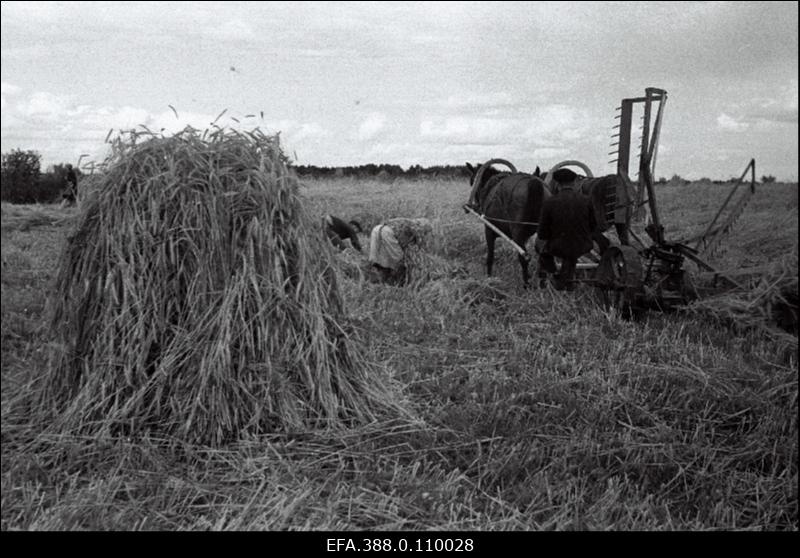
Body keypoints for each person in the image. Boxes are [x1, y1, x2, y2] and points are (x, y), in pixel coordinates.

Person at [535, 176, 598, 291]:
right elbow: (594, 226)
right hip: (583, 245)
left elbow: (542, 233)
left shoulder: (549, 202)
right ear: (574, 183)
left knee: (539, 246)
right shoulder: (587, 200)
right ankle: (566, 278)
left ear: (558, 185)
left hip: (558, 247)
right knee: (571, 253)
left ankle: (554, 272)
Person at [368, 217, 433, 284]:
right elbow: (420, 244)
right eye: (426, 231)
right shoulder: (417, 228)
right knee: (399, 259)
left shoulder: (407, 222)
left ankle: (375, 280)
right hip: (388, 233)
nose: (425, 233)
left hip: (377, 229)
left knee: (379, 257)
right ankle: (397, 281)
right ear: (424, 226)